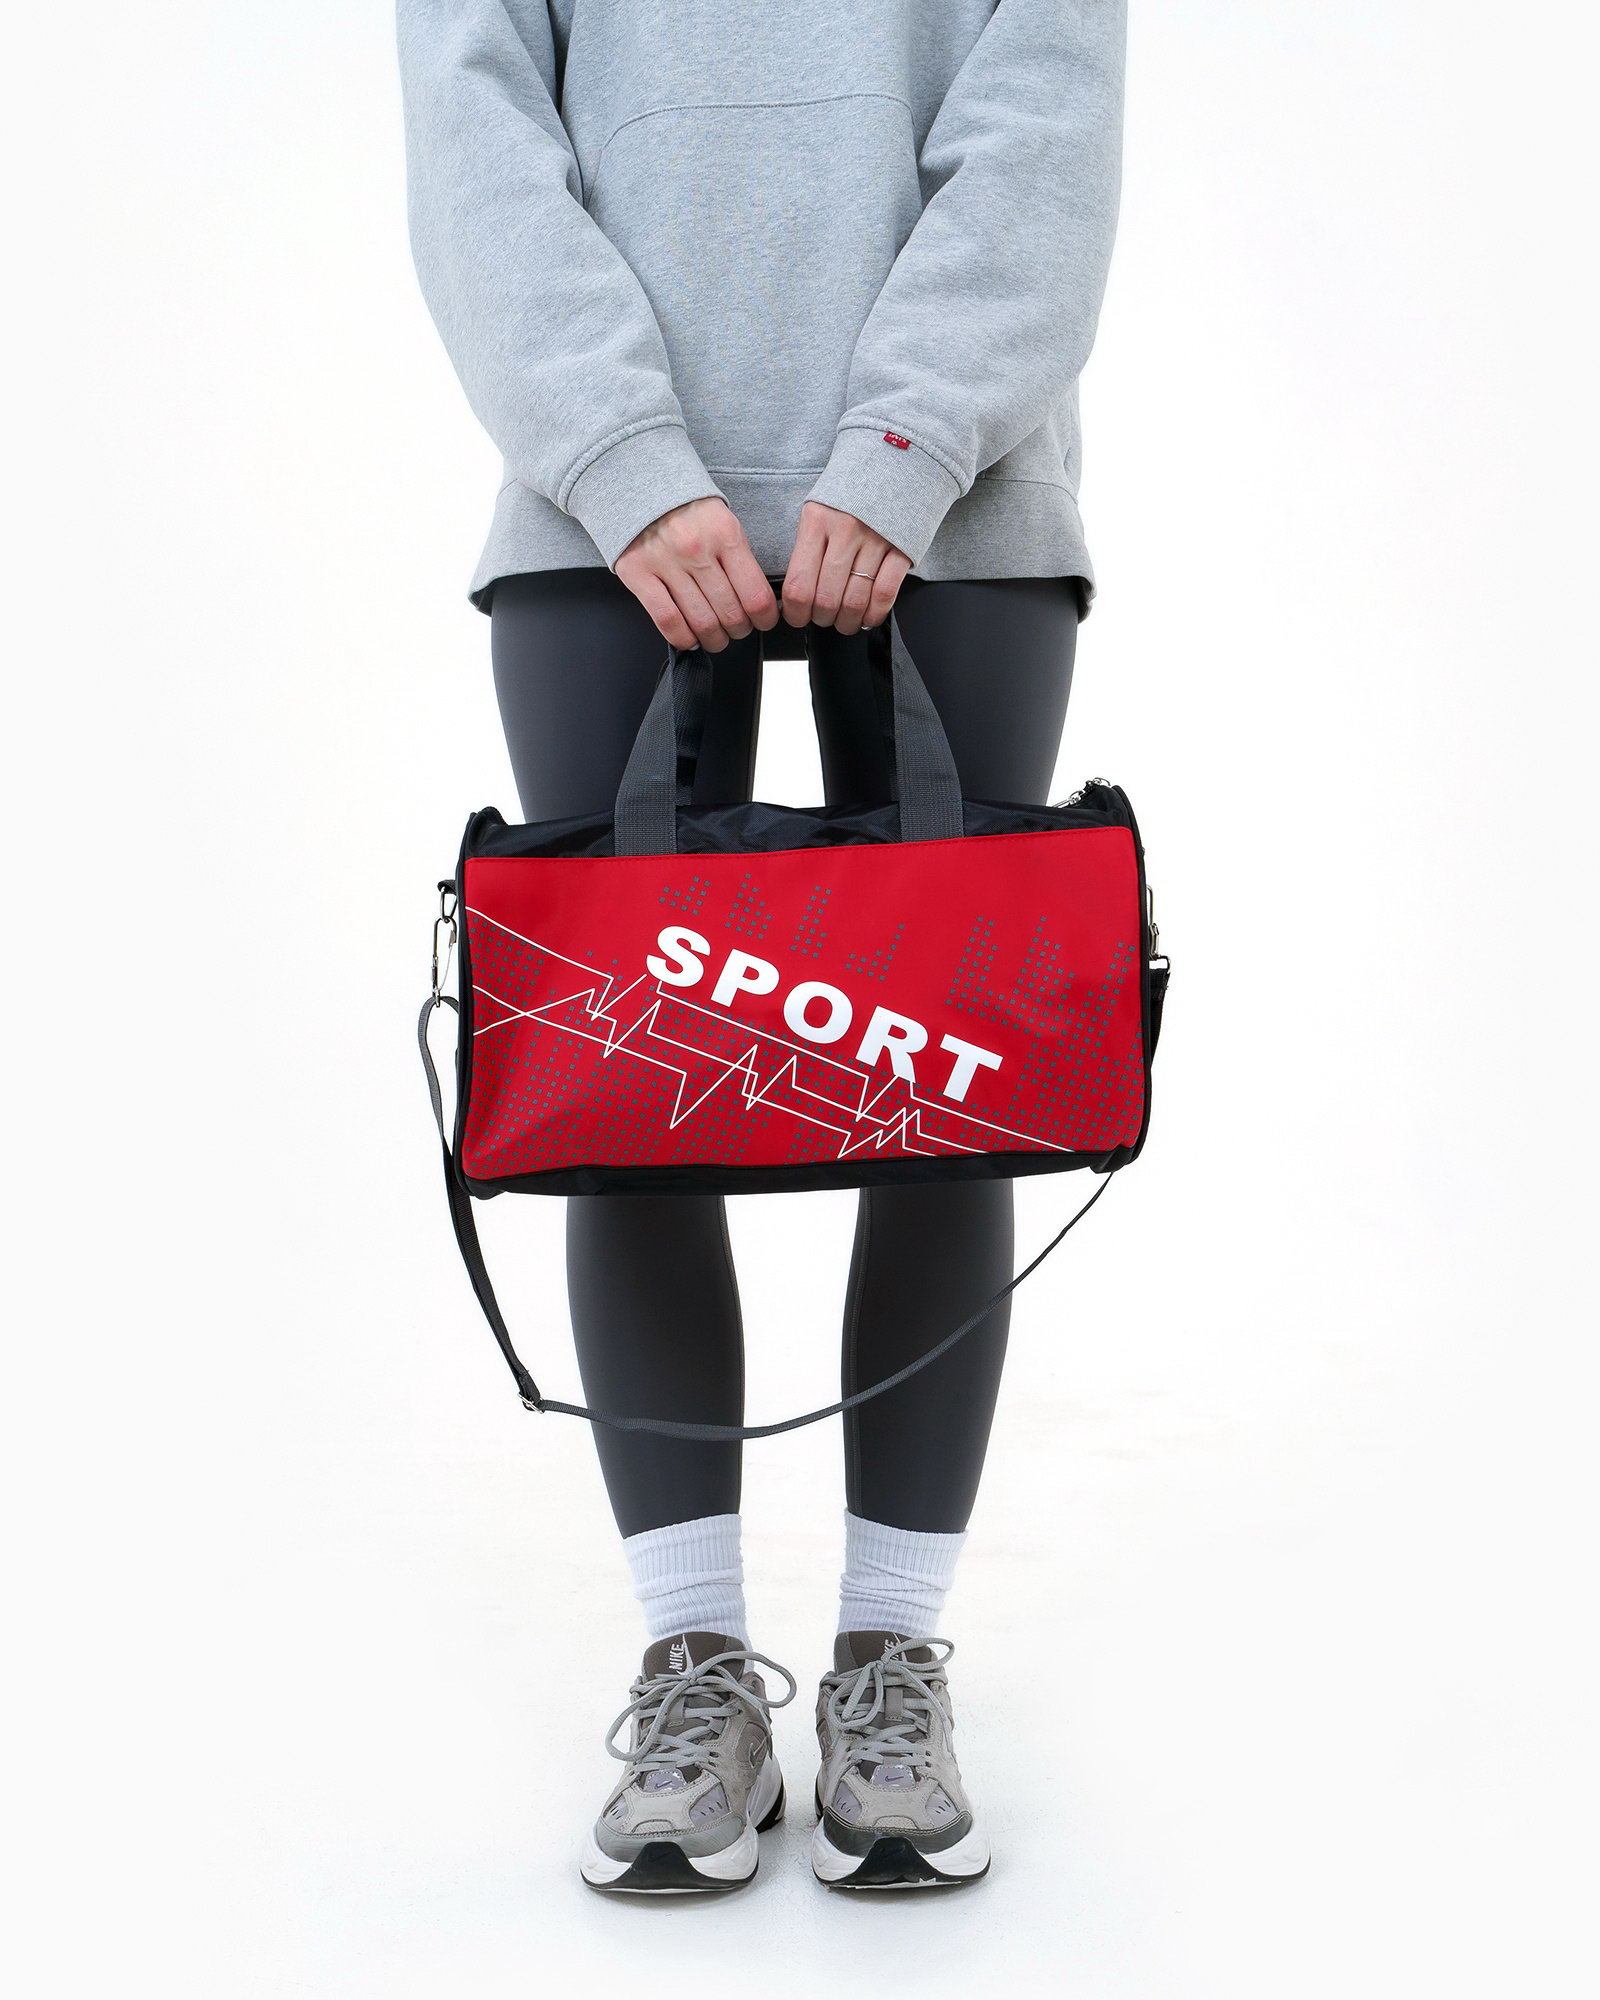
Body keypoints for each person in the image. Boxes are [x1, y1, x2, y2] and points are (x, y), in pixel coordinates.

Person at [397, 0, 1126, 1894]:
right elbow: (479, 143)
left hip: (964, 494)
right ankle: (694, 1663)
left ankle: (891, 1658)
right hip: (594, 503)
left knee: (940, 1089)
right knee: (628, 1088)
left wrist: (905, 440)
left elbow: (1043, 124)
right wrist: (625, 453)